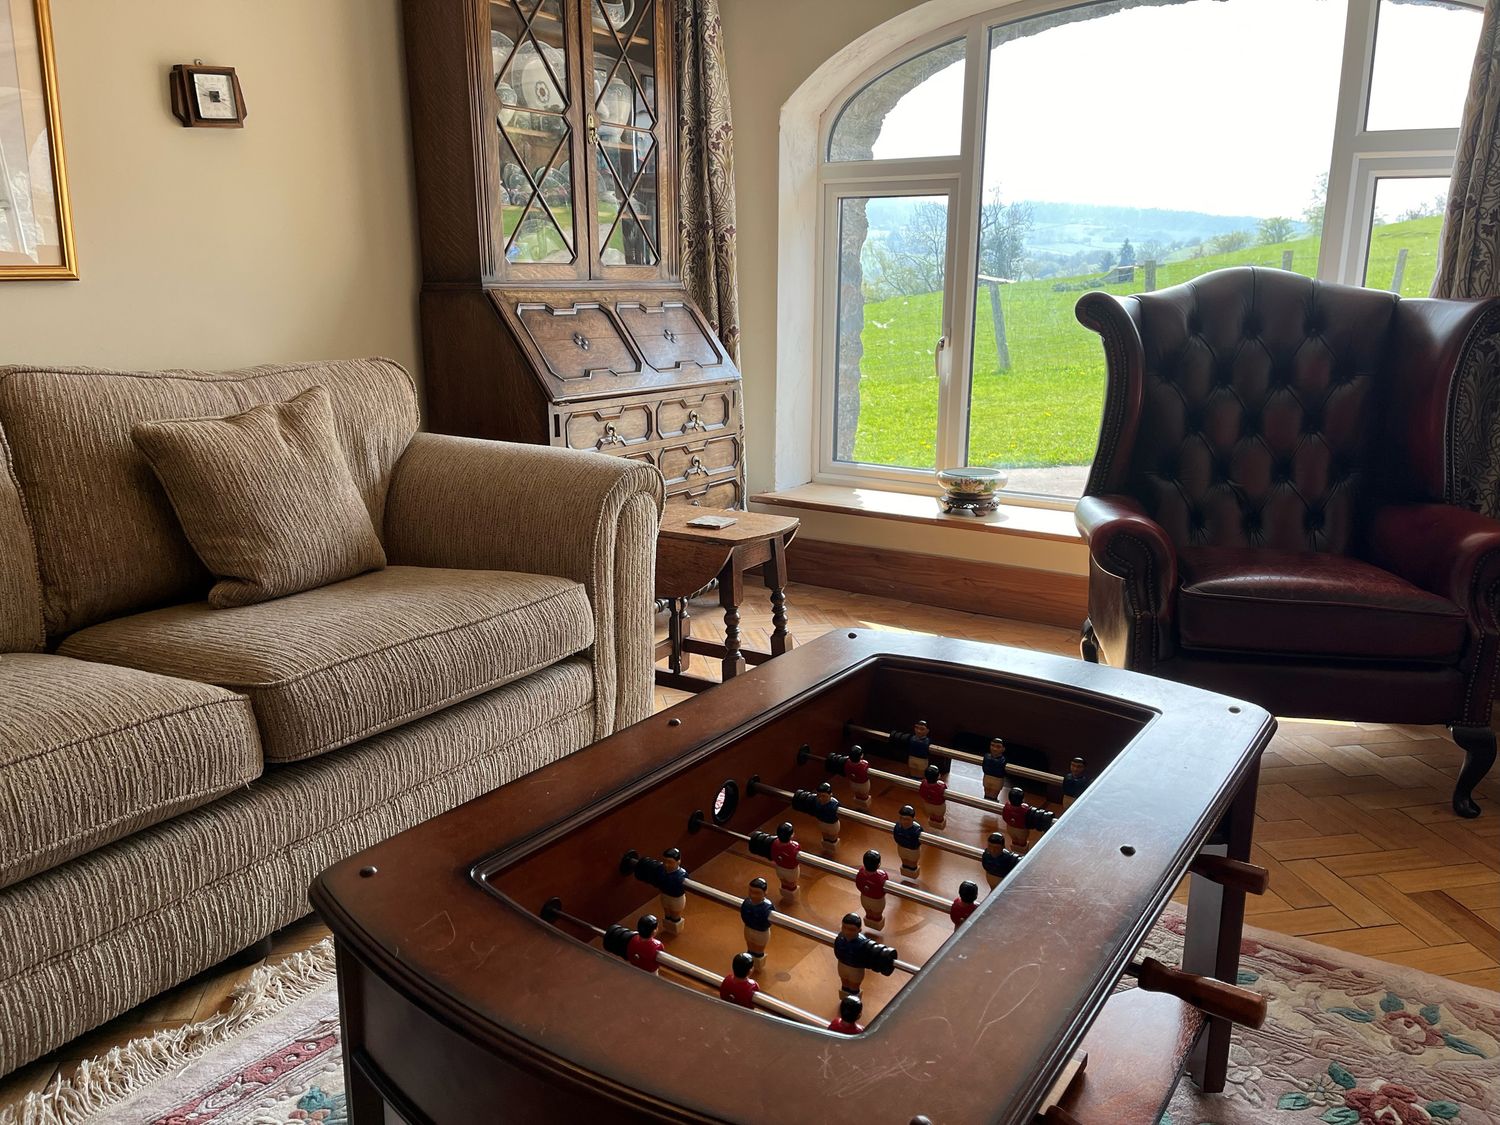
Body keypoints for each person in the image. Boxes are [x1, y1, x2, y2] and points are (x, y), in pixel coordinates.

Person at [740, 877, 774, 962]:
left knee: (758, 951)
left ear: (765, 893)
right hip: (748, 929)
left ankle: (757, 965)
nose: (752, 895)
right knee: (750, 948)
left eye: (756, 893)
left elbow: (768, 922)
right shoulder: (747, 903)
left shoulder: (767, 906)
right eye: (750, 891)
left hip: (761, 933)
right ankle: (749, 963)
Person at [854, 850, 889, 930]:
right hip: (877, 901)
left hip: (864, 898)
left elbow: (858, 885)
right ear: (878, 864)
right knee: (877, 915)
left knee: (868, 912)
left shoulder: (861, 872)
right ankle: (876, 926)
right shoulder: (882, 876)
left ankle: (870, 923)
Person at [770, 821, 802, 896]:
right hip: (791, 871)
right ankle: (791, 898)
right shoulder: (795, 846)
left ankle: (785, 895)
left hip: (779, 868)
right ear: (791, 835)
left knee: (783, 883)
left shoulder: (774, 843)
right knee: (792, 885)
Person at [892, 805, 923, 877]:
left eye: (907, 819)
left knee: (912, 862)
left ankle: (912, 871)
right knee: (904, 860)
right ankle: (905, 870)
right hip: (901, 847)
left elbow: (917, 842)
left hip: (913, 850)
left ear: (913, 819)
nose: (904, 821)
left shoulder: (917, 829)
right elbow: (896, 837)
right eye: (902, 818)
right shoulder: (897, 827)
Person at [917, 764, 948, 829]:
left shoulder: (923, 783)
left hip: (927, 804)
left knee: (931, 815)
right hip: (939, 806)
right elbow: (945, 788)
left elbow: (921, 793)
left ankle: (932, 824)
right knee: (939, 817)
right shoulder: (941, 786)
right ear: (938, 776)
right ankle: (939, 826)